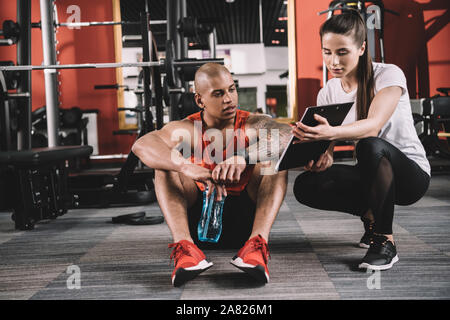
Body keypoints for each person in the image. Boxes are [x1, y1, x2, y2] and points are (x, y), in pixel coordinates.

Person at [291, 11, 430, 271]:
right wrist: (322, 156)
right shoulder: (329, 91)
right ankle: (371, 216)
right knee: (305, 185)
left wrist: (331, 132)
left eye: (342, 52)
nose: (333, 61)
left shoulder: (388, 74)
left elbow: (373, 125)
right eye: (327, 52)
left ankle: (384, 241)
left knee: (370, 144)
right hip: (371, 173)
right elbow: (327, 149)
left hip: (410, 176)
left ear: (362, 47)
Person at [132, 63, 292, 286]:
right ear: (199, 100)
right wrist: (188, 167)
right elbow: (143, 145)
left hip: (247, 222)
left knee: (274, 157)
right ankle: (186, 250)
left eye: (231, 89)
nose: (228, 99)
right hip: (199, 223)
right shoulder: (187, 128)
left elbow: (286, 135)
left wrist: (243, 157)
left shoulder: (253, 123)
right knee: (165, 166)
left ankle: (257, 246)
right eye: (218, 94)